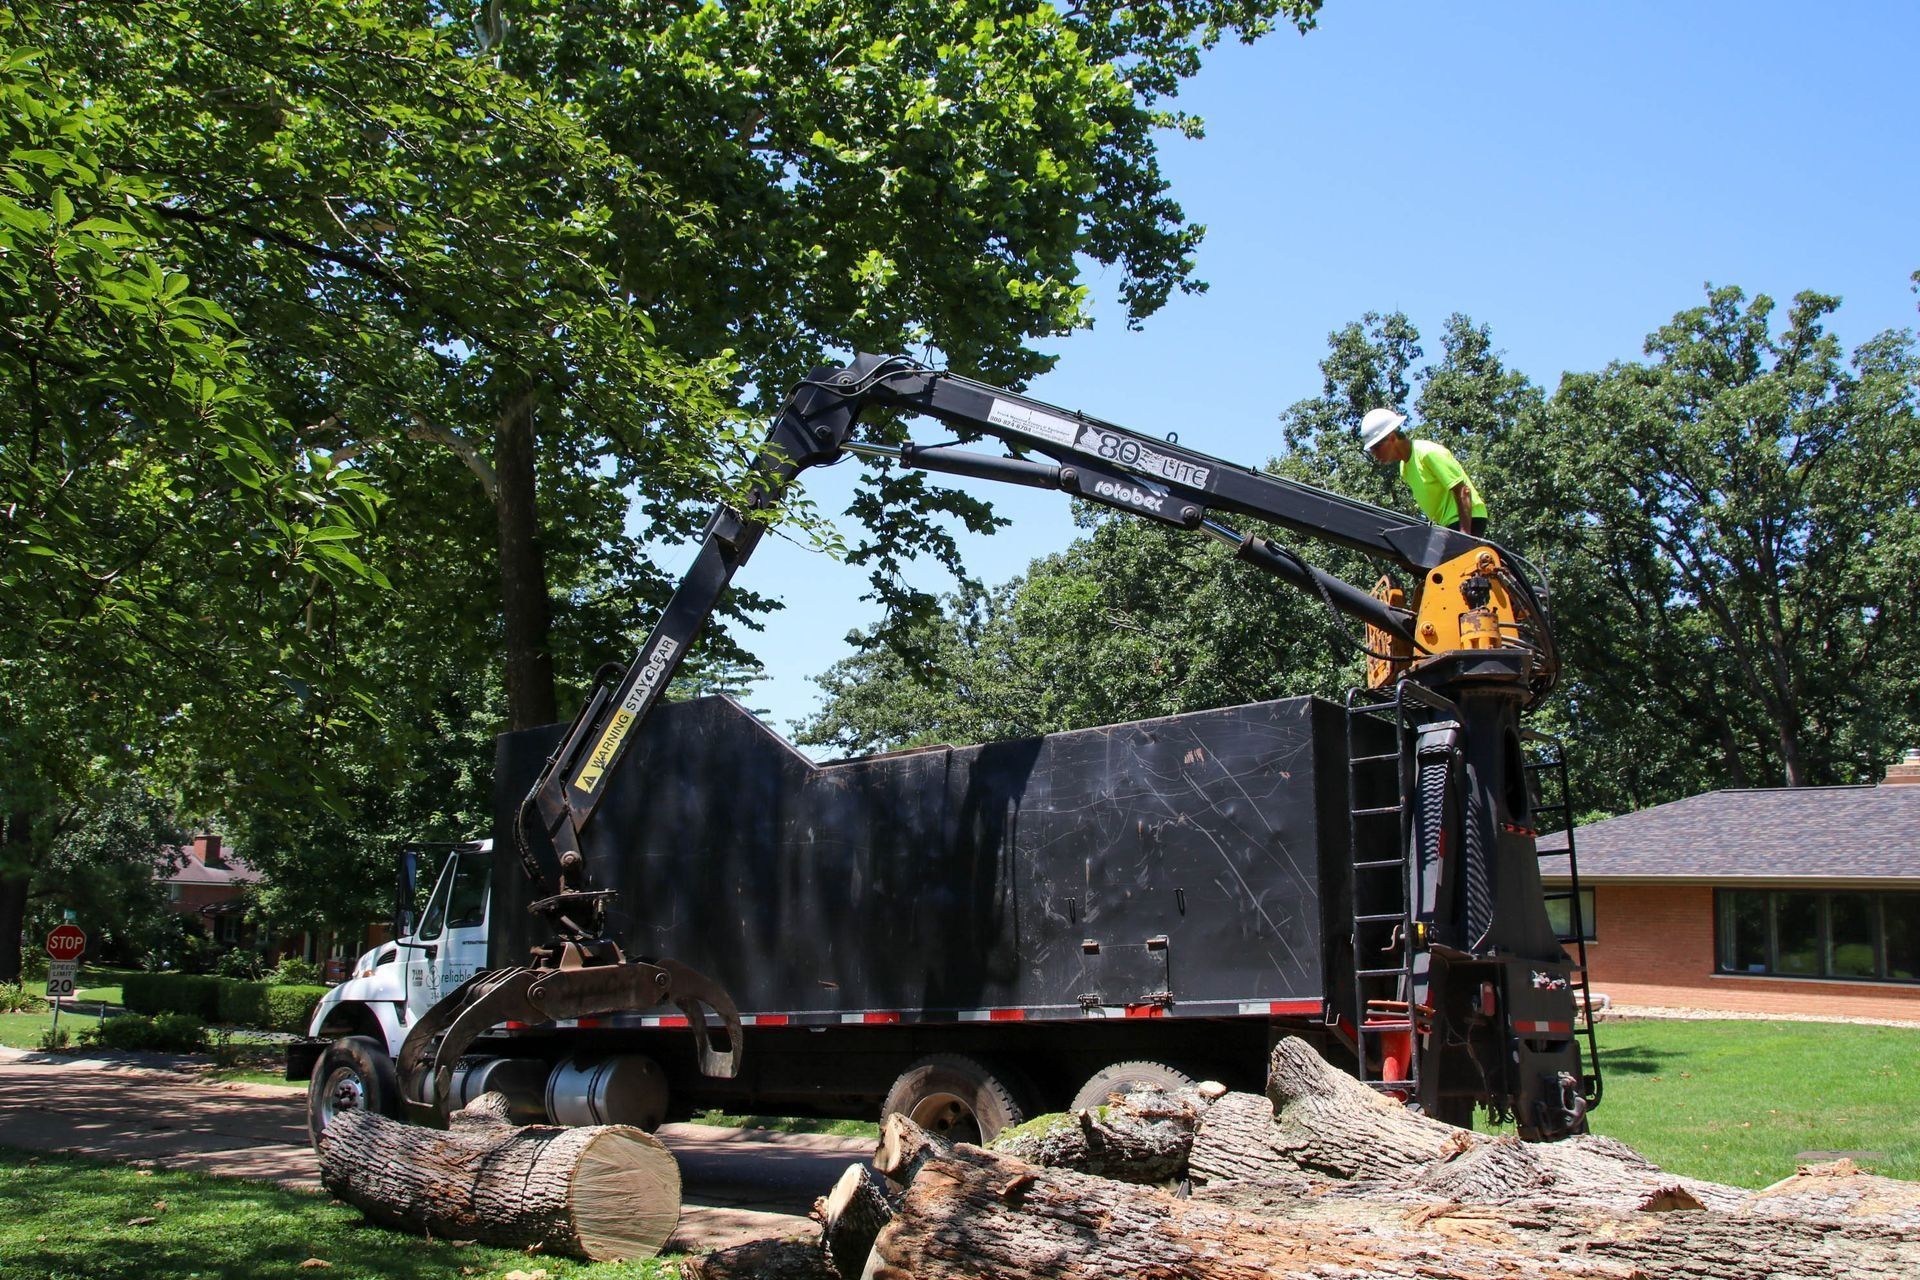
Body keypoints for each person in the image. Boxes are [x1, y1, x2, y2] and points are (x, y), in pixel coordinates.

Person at [1359, 408, 1489, 538]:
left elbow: (1463, 491)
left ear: (1392, 438)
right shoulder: (1405, 467)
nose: (1374, 454)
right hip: (1448, 525)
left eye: (1376, 447)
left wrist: (1465, 536)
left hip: (1467, 520)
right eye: (1371, 450)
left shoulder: (1427, 453)